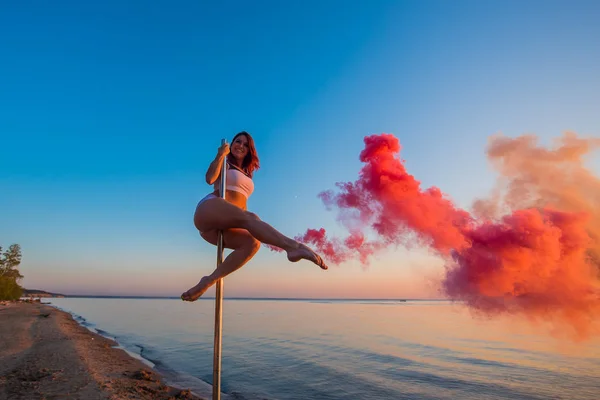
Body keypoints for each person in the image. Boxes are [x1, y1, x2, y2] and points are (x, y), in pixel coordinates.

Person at [181, 131, 328, 301]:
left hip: (228, 222)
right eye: (237, 142)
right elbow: (209, 178)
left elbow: (242, 206)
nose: (240, 146)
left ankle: (208, 281)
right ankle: (293, 247)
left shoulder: (247, 174)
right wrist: (221, 153)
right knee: (251, 217)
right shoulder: (225, 163)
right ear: (231, 145)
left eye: (245, 144)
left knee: (252, 243)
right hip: (210, 209)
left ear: (249, 150)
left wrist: (250, 224)